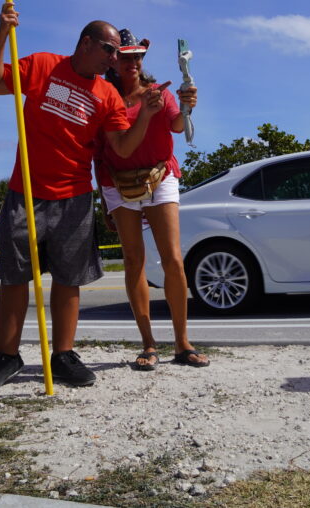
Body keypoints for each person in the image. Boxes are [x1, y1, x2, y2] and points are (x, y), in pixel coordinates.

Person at [0, 4, 167, 397]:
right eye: (110, 50)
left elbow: (123, 149)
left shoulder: (107, 94)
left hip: (75, 196)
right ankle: (5, 357)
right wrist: (2, 34)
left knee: (68, 280)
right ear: (86, 43)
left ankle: (63, 355)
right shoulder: (43, 65)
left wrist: (144, 115)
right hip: (25, 190)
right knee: (14, 278)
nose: (115, 58)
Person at [96, 29, 209, 371]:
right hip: (117, 182)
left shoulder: (158, 93)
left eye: (137, 56)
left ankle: (182, 342)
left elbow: (177, 125)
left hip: (160, 176)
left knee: (173, 259)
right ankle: (148, 343)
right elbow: (105, 149)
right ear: (113, 59)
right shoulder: (103, 97)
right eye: (125, 56)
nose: (132, 62)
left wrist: (188, 105)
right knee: (134, 261)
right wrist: (103, 202)